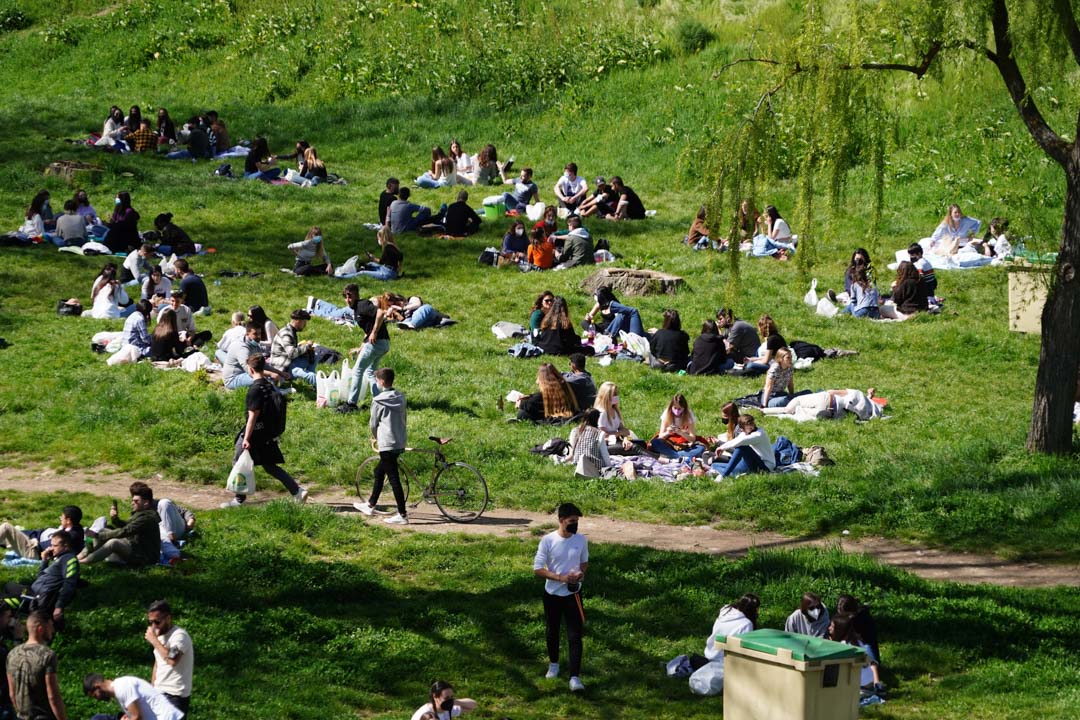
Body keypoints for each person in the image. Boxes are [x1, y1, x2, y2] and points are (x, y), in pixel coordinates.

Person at [222, 353, 309, 507]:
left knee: (238, 460)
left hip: (255, 433)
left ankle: (239, 499)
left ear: (250, 369)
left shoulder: (255, 389)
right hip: (267, 432)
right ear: (263, 367)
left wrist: (247, 438)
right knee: (269, 466)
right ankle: (297, 491)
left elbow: (252, 416)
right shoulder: (269, 385)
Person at [533, 502, 589, 692]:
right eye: (572, 521)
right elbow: (538, 569)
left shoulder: (580, 540)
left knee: (575, 636)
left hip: (573, 594)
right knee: (552, 631)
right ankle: (554, 664)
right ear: (561, 520)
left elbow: (584, 563)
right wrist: (560, 578)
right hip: (552, 594)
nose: (575, 525)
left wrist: (579, 575)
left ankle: (574, 677)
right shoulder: (548, 541)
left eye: (577, 521)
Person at [353, 368, 409, 525]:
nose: (376, 383)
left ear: (382, 382)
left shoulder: (378, 400)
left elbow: (373, 423)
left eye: (377, 380)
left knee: (393, 479)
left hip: (387, 443)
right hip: (399, 441)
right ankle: (370, 504)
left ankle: (402, 515)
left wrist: (375, 437)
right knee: (379, 471)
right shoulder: (401, 397)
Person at [2, 531, 79, 622]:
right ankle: (10, 612)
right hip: (31, 591)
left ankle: (8, 615)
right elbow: (40, 577)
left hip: (35, 600)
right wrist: (44, 561)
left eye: (55, 546)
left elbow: (69, 584)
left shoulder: (70, 559)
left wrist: (59, 606)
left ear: (65, 546)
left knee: (2, 601)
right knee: (9, 585)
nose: (51, 548)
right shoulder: (60, 558)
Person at [80, 483, 161, 566]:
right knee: (103, 530)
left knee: (113, 543)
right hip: (135, 546)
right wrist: (115, 519)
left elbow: (125, 531)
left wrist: (98, 535)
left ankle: (84, 561)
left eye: (136, 501)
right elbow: (127, 526)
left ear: (146, 503)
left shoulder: (147, 517)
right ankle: (91, 555)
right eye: (132, 500)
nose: (132, 503)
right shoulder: (141, 512)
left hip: (145, 557)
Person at [5, 610, 67, 720]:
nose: (52, 630)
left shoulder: (12, 654)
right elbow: (53, 696)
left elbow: (12, 694)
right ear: (40, 629)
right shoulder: (47, 655)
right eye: (50, 626)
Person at [338, 294, 391, 413]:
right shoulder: (361, 310)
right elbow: (368, 332)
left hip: (376, 343)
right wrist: (360, 347)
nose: (347, 299)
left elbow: (381, 313)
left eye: (350, 296)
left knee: (358, 371)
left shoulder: (362, 305)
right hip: (384, 344)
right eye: (345, 296)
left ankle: (351, 404)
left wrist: (374, 332)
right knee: (370, 372)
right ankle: (379, 402)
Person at [145, 600, 193, 718]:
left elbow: (172, 660)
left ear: (168, 618)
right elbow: (158, 663)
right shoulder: (160, 636)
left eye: (157, 622)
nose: (153, 626)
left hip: (175, 695)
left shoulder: (179, 636)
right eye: (150, 622)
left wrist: (154, 641)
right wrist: (152, 688)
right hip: (159, 692)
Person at [83, 674, 183, 720]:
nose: (98, 699)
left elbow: (137, 716)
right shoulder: (119, 690)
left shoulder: (121, 687)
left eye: (95, 696)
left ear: (97, 686)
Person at [699, 593, 760, 669]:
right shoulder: (746, 624)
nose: (758, 612)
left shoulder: (726, 611)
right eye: (757, 609)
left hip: (709, 652)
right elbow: (745, 648)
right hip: (724, 660)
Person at [0, 506, 84, 560]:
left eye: (62, 517)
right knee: (6, 535)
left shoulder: (69, 537)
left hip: (34, 552)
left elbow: (52, 549)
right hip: (36, 544)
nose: (60, 518)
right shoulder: (75, 529)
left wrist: (36, 543)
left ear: (68, 520)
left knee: (6, 527)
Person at [223, 323, 289, 390]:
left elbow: (263, 365)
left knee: (271, 378)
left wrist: (280, 373)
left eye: (259, 334)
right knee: (264, 380)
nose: (258, 336)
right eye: (255, 334)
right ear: (247, 334)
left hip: (247, 373)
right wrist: (271, 374)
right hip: (234, 378)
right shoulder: (242, 348)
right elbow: (249, 369)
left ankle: (276, 390)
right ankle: (279, 393)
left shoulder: (255, 344)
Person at [515, 363, 580, 423]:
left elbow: (531, 403)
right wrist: (528, 396)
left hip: (553, 416)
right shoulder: (564, 386)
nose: (537, 382)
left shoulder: (540, 397)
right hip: (566, 414)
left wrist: (521, 403)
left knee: (523, 413)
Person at [648, 394, 704, 460]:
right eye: (675, 408)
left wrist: (681, 432)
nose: (677, 411)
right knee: (655, 442)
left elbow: (692, 438)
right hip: (669, 441)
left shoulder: (688, 415)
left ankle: (671, 456)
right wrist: (668, 432)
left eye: (679, 409)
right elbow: (661, 436)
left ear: (684, 408)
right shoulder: (667, 413)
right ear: (671, 407)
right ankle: (678, 456)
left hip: (684, 442)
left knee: (700, 448)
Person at [268, 310, 317, 384]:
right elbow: (292, 353)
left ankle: (312, 382)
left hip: (289, 362)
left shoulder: (291, 331)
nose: (305, 325)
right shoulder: (286, 334)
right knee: (310, 375)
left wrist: (305, 348)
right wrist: (307, 346)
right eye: (304, 322)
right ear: (298, 321)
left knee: (314, 355)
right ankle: (318, 387)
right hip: (283, 368)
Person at [593, 382, 640, 454]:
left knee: (639, 444)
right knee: (634, 447)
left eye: (617, 394)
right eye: (614, 394)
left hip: (615, 440)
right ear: (606, 396)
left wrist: (626, 438)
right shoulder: (602, 413)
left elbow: (622, 428)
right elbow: (604, 435)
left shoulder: (614, 410)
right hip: (605, 445)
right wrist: (620, 433)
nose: (616, 396)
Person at [566, 409, 611, 477]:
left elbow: (571, 451)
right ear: (597, 420)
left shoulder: (574, 431)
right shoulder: (599, 433)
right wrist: (610, 466)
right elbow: (605, 454)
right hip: (595, 466)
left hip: (577, 464)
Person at [410, 680, 477, 720]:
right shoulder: (427, 715)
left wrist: (455, 701)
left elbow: (472, 706)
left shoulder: (446, 708)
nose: (449, 701)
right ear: (435, 696)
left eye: (451, 697)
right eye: (446, 698)